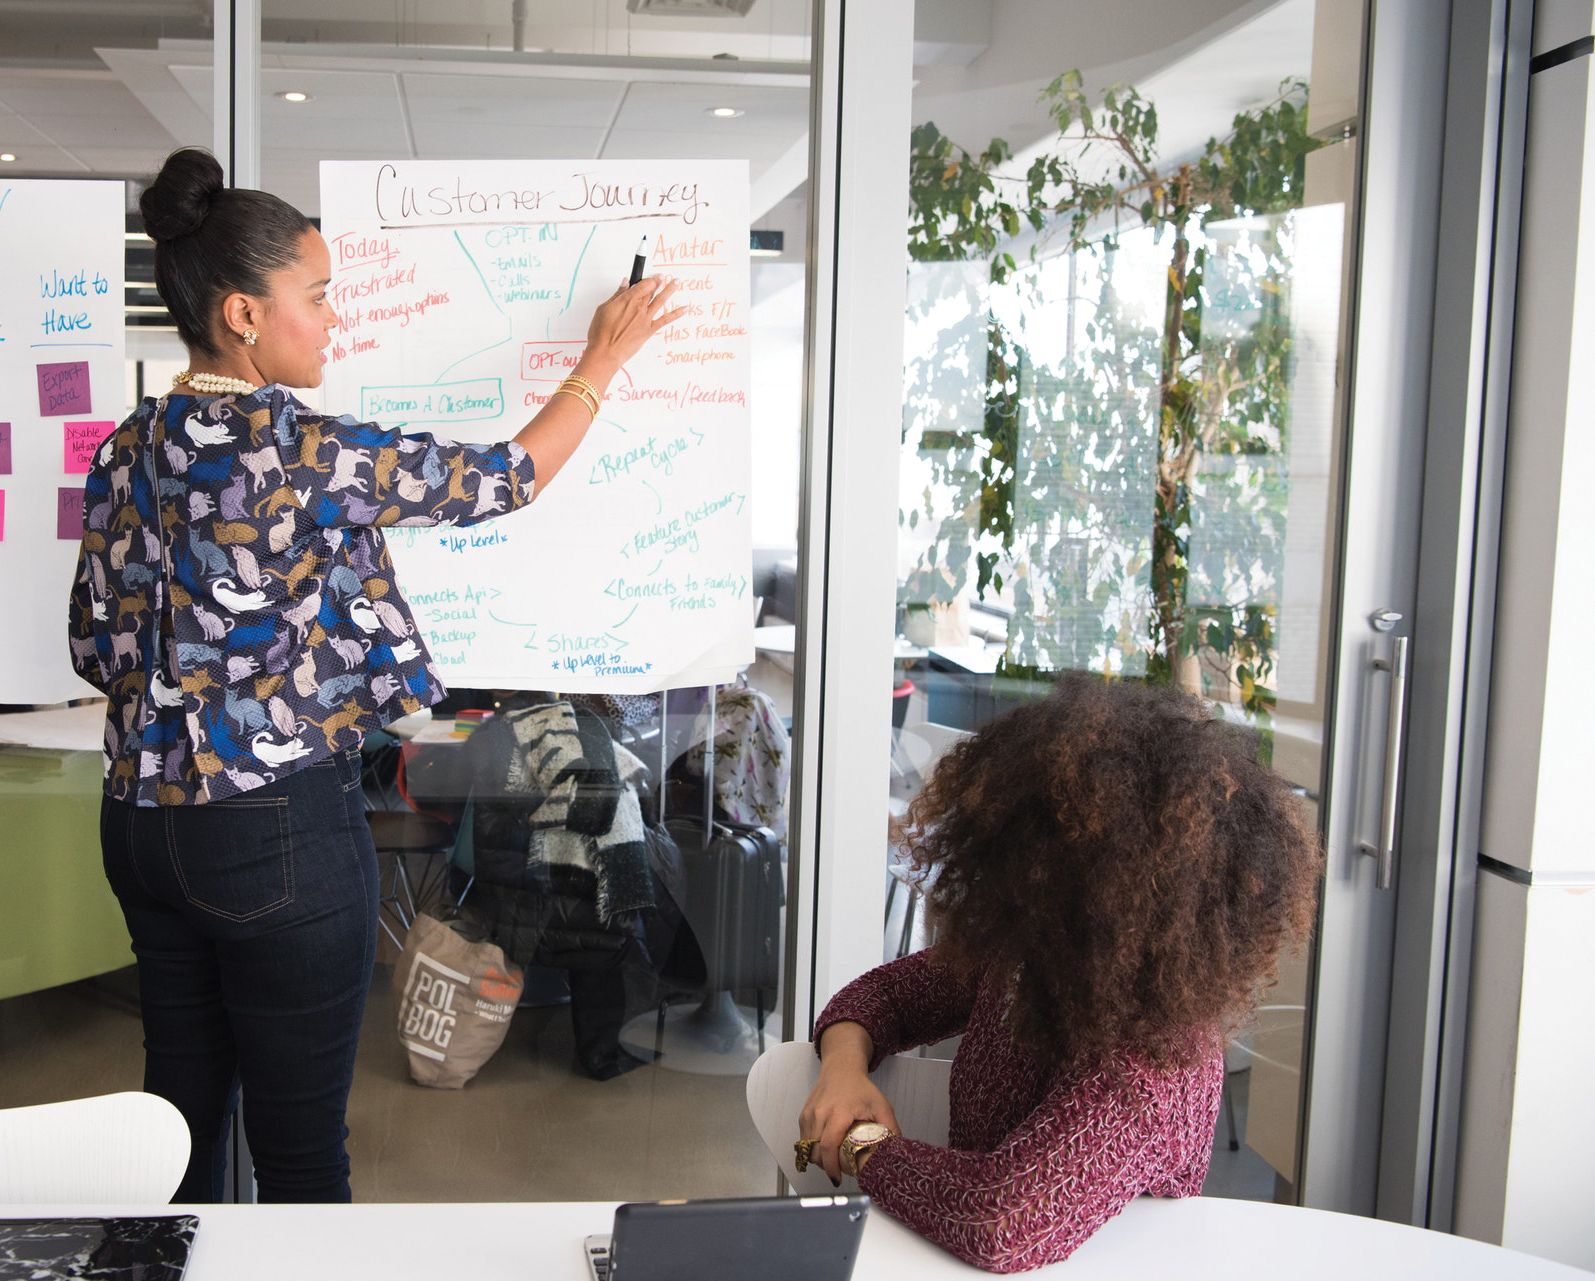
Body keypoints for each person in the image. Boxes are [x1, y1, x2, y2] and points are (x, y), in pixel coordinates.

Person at [68, 147, 684, 1203]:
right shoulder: (296, 447)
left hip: (140, 824)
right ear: (243, 314)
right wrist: (603, 359)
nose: (334, 320)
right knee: (304, 1153)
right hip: (273, 835)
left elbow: (90, 645)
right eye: (317, 298)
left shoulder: (124, 450)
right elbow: (507, 478)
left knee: (179, 1129)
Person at [796, 676, 1321, 1272]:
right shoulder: (1030, 957)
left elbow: (999, 1220)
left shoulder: (1156, 1065)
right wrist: (842, 1073)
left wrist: (864, 1147)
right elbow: (883, 994)